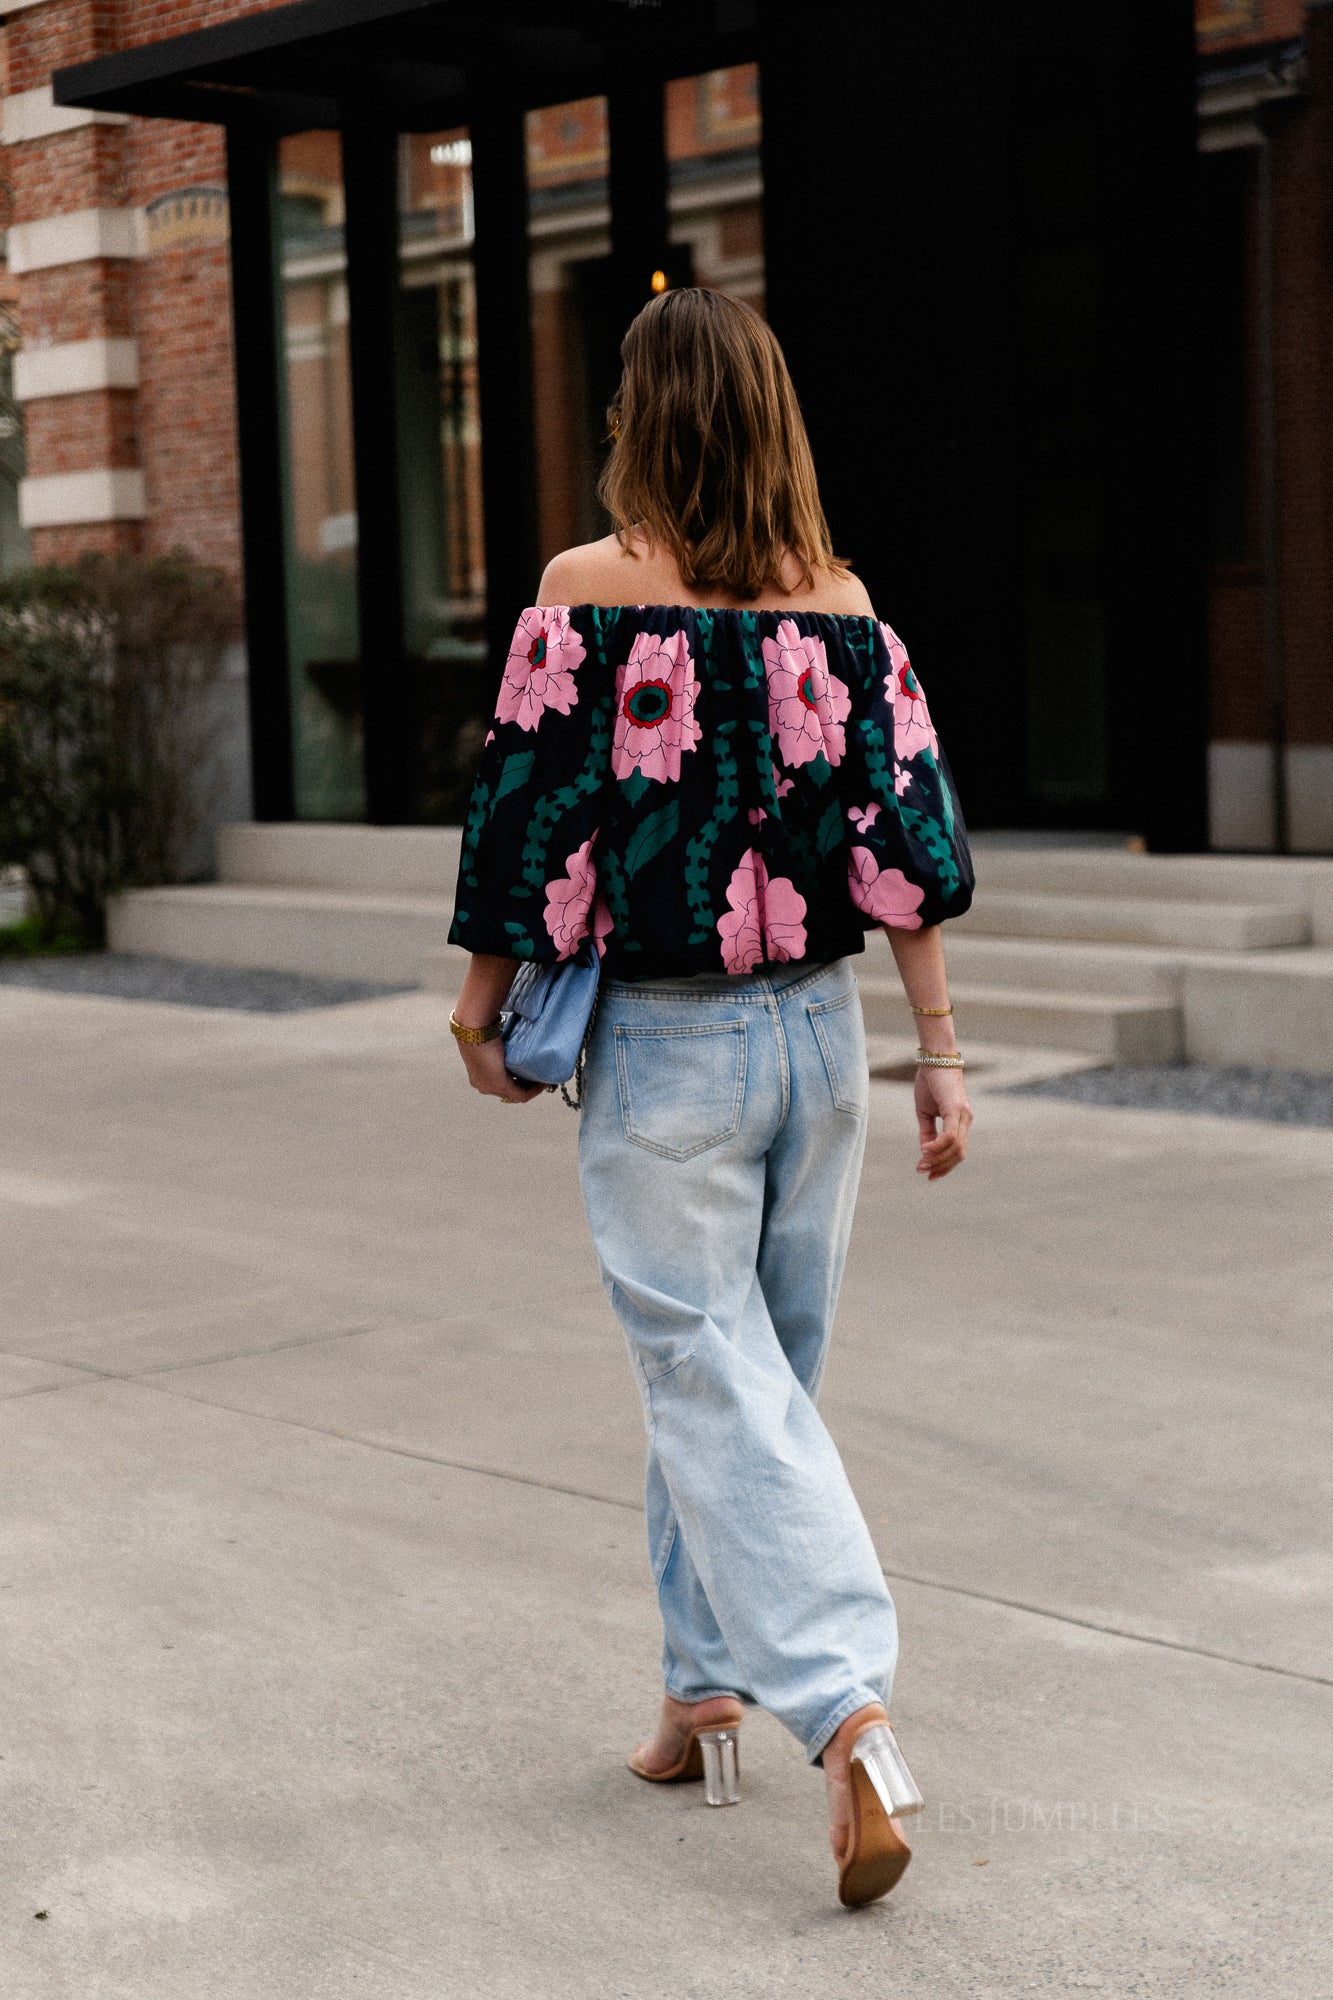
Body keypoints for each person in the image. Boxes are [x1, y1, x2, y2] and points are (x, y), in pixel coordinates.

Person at [446, 286, 974, 1907]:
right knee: (748, 1386)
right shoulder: (846, 607)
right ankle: (699, 1695)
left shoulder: (583, 592)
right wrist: (938, 1049)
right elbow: (905, 847)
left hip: (670, 1045)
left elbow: (526, 817)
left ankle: (847, 1711)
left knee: (710, 1382)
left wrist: (476, 1006)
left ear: (640, 420)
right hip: (820, 1042)